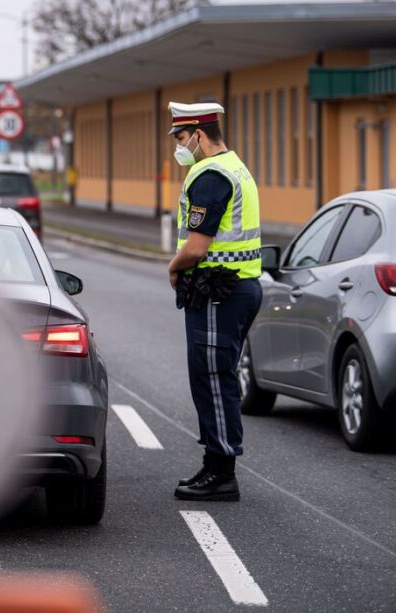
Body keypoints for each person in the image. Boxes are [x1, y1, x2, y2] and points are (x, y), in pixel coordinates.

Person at [166, 102, 263, 502]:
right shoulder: (235, 166)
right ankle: (213, 462)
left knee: (213, 378)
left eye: (180, 138)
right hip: (234, 287)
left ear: (198, 135)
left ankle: (222, 471)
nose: (178, 146)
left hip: (217, 291)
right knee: (214, 374)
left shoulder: (209, 176)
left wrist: (173, 268)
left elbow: (196, 246)